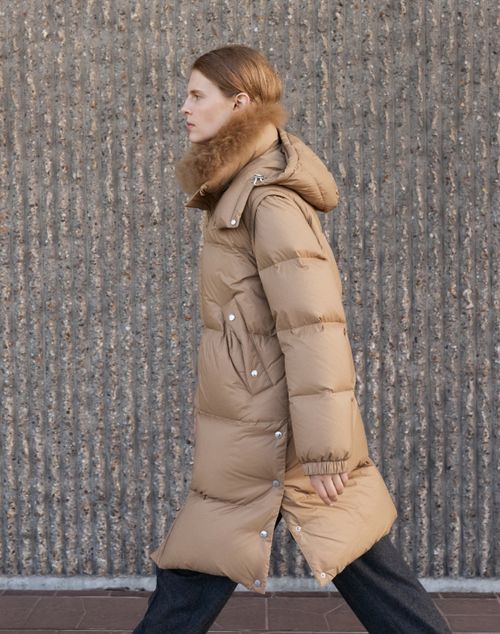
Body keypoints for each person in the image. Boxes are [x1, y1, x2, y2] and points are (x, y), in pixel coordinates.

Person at [132, 45, 451, 634]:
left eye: (197, 95)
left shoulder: (268, 200)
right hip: (258, 418)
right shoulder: (239, 191)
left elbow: (315, 326)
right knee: (350, 563)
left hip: (272, 428)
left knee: (200, 566)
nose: (184, 108)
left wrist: (327, 449)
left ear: (240, 103)